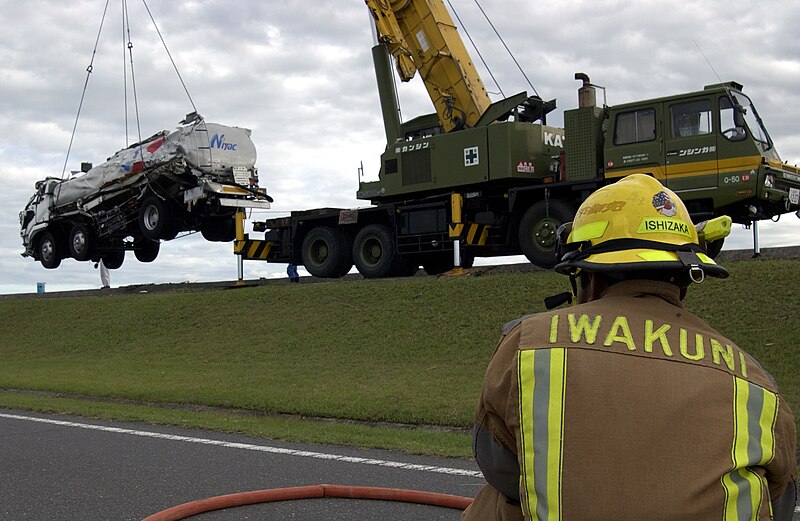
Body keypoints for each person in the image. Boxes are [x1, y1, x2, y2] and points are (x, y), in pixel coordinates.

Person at [463, 174, 796, 521]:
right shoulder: (757, 383)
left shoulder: (528, 346)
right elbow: (781, 502)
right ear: (682, 284)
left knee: (495, 506)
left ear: (590, 279)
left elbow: (498, 464)